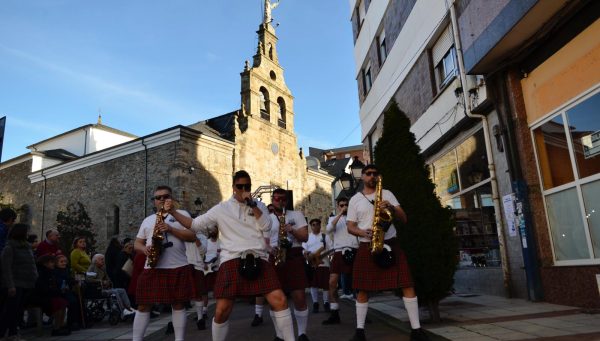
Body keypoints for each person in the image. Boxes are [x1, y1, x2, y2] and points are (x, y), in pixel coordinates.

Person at [165, 170, 295, 341]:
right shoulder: (222, 208)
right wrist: (173, 212)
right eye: (239, 186)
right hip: (231, 259)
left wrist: (253, 205)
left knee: (280, 300)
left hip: (259, 258)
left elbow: (267, 227)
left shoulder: (260, 206)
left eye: (247, 186)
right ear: (233, 187)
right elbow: (195, 225)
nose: (243, 190)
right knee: (222, 310)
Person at [346, 164, 429, 341]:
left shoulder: (388, 194)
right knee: (362, 289)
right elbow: (350, 227)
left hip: (390, 242)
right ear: (362, 177)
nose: (371, 176)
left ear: (379, 176)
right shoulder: (355, 200)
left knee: (407, 284)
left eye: (375, 174)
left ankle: (416, 330)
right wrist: (362, 232)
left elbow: (404, 218)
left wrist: (391, 207)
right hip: (367, 244)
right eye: (368, 174)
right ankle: (360, 332)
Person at [132, 185, 196, 341]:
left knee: (178, 304)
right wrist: (144, 249)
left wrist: (170, 229)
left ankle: (179, 339)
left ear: (171, 198)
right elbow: (137, 243)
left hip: (177, 265)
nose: (162, 199)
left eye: (165, 196)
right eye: (158, 197)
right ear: (154, 201)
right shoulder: (148, 220)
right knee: (143, 305)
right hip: (153, 266)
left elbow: (192, 236)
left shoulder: (181, 214)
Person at [268, 188, 310, 341]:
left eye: (283, 199)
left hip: (293, 255)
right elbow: (262, 240)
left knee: (299, 297)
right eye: (276, 198)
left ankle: (302, 334)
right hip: (275, 256)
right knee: (274, 300)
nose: (280, 201)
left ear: (287, 200)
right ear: (272, 200)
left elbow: (305, 237)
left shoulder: (296, 215)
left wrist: (291, 229)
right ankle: (279, 335)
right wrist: (269, 249)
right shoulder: (267, 218)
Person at [322, 197, 358, 325]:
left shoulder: (354, 217)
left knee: (359, 284)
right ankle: (334, 312)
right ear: (338, 206)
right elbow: (328, 229)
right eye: (342, 205)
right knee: (332, 283)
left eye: (346, 205)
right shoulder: (333, 218)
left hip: (353, 250)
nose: (344, 207)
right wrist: (340, 214)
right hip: (338, 251)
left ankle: (362, 312)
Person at [0, 223, 38, 340]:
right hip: (15, 284)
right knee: (10, 311)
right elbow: (6, 268)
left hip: (26, 283)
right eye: (26, 232)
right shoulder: (9, 248)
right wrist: (10, 285)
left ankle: (13, 334)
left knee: (17, 311)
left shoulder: (26, 247)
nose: (28, 234)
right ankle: (1, 334)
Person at [88, 254, 135, 319]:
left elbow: (108, 278)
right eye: (101, 259)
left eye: (103, 259)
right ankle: (122, 310)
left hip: (105, 288)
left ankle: (129, 308)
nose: (103, 261)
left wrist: (108, 282)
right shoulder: (92, 268)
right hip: (97, 290)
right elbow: (89, 279)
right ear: (95, 261)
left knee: (122, 290)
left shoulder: (103, 268)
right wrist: (101, 281)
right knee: (115, 292)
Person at [34, 254, 71, 336]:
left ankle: (59, 326)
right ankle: (56, 328)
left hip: (50, 295)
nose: (53, 264)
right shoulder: (42, 273)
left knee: (63, 302)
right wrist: (56, 291)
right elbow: (43, 288)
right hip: (42, 297)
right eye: (51, 262)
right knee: (59, 303)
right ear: (45, 263)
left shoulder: (50, 272)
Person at [302, 218, 332, 314]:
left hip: (324, 263)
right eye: (313, 225)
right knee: (313, 285)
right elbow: (303, 249)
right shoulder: (307, 237)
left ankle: (326, 303)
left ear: (320, 225)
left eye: (317, 224)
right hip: (311, 264)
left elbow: (331, 249)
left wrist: (329, 254)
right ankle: (315, 303)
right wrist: (306, 253)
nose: (315, 226)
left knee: (325, 285)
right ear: (311, 226)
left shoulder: (325, 237)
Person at [185, 230, 208, 330]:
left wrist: (195, 238)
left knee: (199, 293)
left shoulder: (202, 236)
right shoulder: (182, 234)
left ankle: (200, 318)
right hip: (185, 264)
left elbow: (203, 250)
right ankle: (176, 321)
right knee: (182, 294)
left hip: (198, 266)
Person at [55, 254, 83, 331]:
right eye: (61, 262)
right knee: (72, 301)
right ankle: (71, 322)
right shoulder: (56, 271)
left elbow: (70, 279)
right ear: (56, 263)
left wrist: (74, 281)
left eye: (65, 261)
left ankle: (77, 320)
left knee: (77, 299)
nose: (64, 263)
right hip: (60, 292)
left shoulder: (66, 270)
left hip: (67, 291)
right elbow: (59, 282)